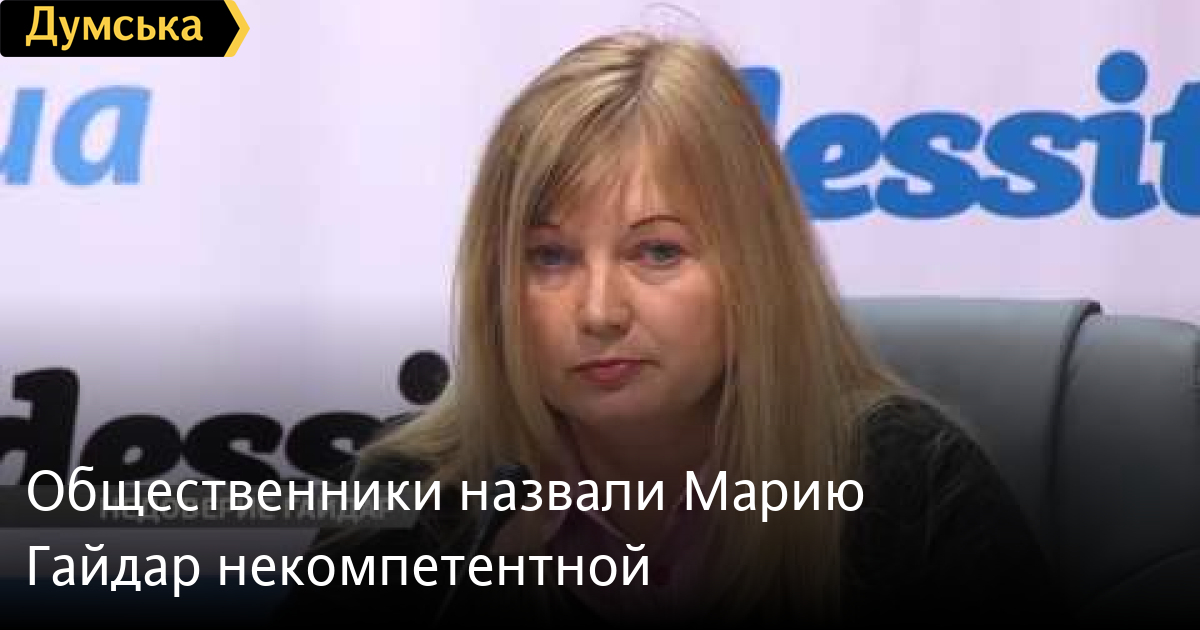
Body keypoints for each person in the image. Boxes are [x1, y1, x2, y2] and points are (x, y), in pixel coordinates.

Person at [274, 31, 1059, 628]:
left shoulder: (909, 488)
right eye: (550, 257)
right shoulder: (418, 499)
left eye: (657, 252)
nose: (599, 311)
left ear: (754, 268)